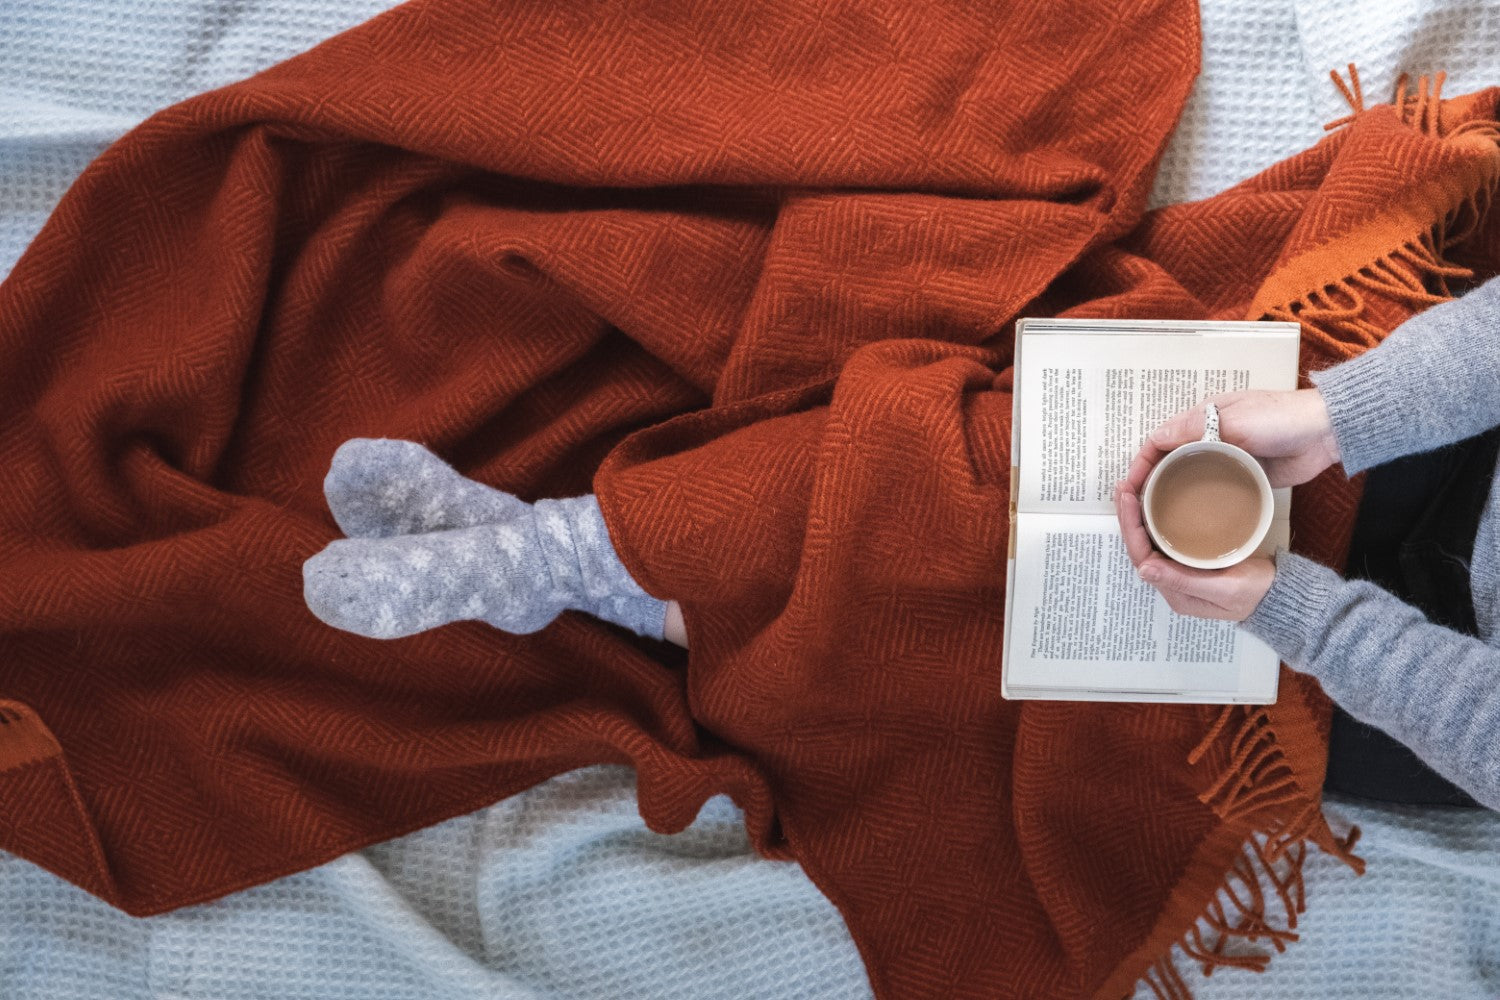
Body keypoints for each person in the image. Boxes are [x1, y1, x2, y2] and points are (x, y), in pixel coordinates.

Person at [1113, 272, 1500, 811]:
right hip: (1475, 426)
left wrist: (1310, 621)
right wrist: (1334, 418)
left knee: (1190, 741)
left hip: (1457, 712)